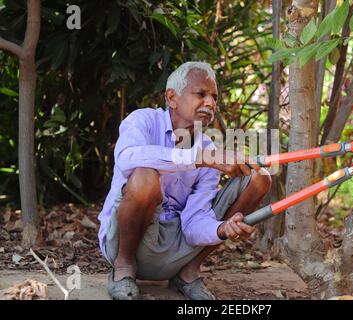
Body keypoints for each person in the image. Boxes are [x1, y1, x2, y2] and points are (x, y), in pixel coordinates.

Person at [97, 61, 272, 300]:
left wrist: (222, 229)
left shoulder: (209, 149)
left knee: (260, 177)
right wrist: (198, 158)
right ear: (172, 98)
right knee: (145, 175)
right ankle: (123, 269)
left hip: (175, 251)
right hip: (126, 243)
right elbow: (126, 157)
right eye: (201, 94)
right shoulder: (143, 121)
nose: (210, 103)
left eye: (214, 97)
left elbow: (194, 222)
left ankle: (187, 273)